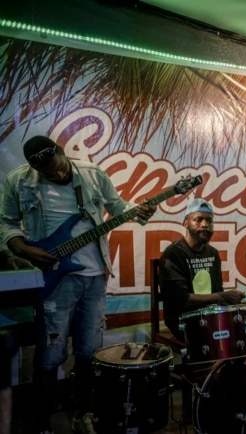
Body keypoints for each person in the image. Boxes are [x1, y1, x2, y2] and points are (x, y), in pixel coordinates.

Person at [0, 135, 157, 434]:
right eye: (48, 173)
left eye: (59, 167)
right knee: (49, 357)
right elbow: (5, 222)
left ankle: (83, 414)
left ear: (62, 152)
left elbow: (118, 205)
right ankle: (43, 424)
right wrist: (24, 249)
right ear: (35, 169)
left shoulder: (92, 174)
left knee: (89, 353)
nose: (57, 174)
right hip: (54, 279)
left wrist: (139, 210)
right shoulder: (18, 181)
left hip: (95, 277)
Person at [159, 198, 246, 341]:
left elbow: (217, 290)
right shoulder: (173, 254)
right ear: (186, 223)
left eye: (209, 221)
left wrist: (232, 302)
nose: (205, 225)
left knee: (245, 327)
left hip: (210, 316)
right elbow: (181, 300)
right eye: (198, 220)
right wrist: (223, 296)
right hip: (183, 321)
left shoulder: (212, 253)